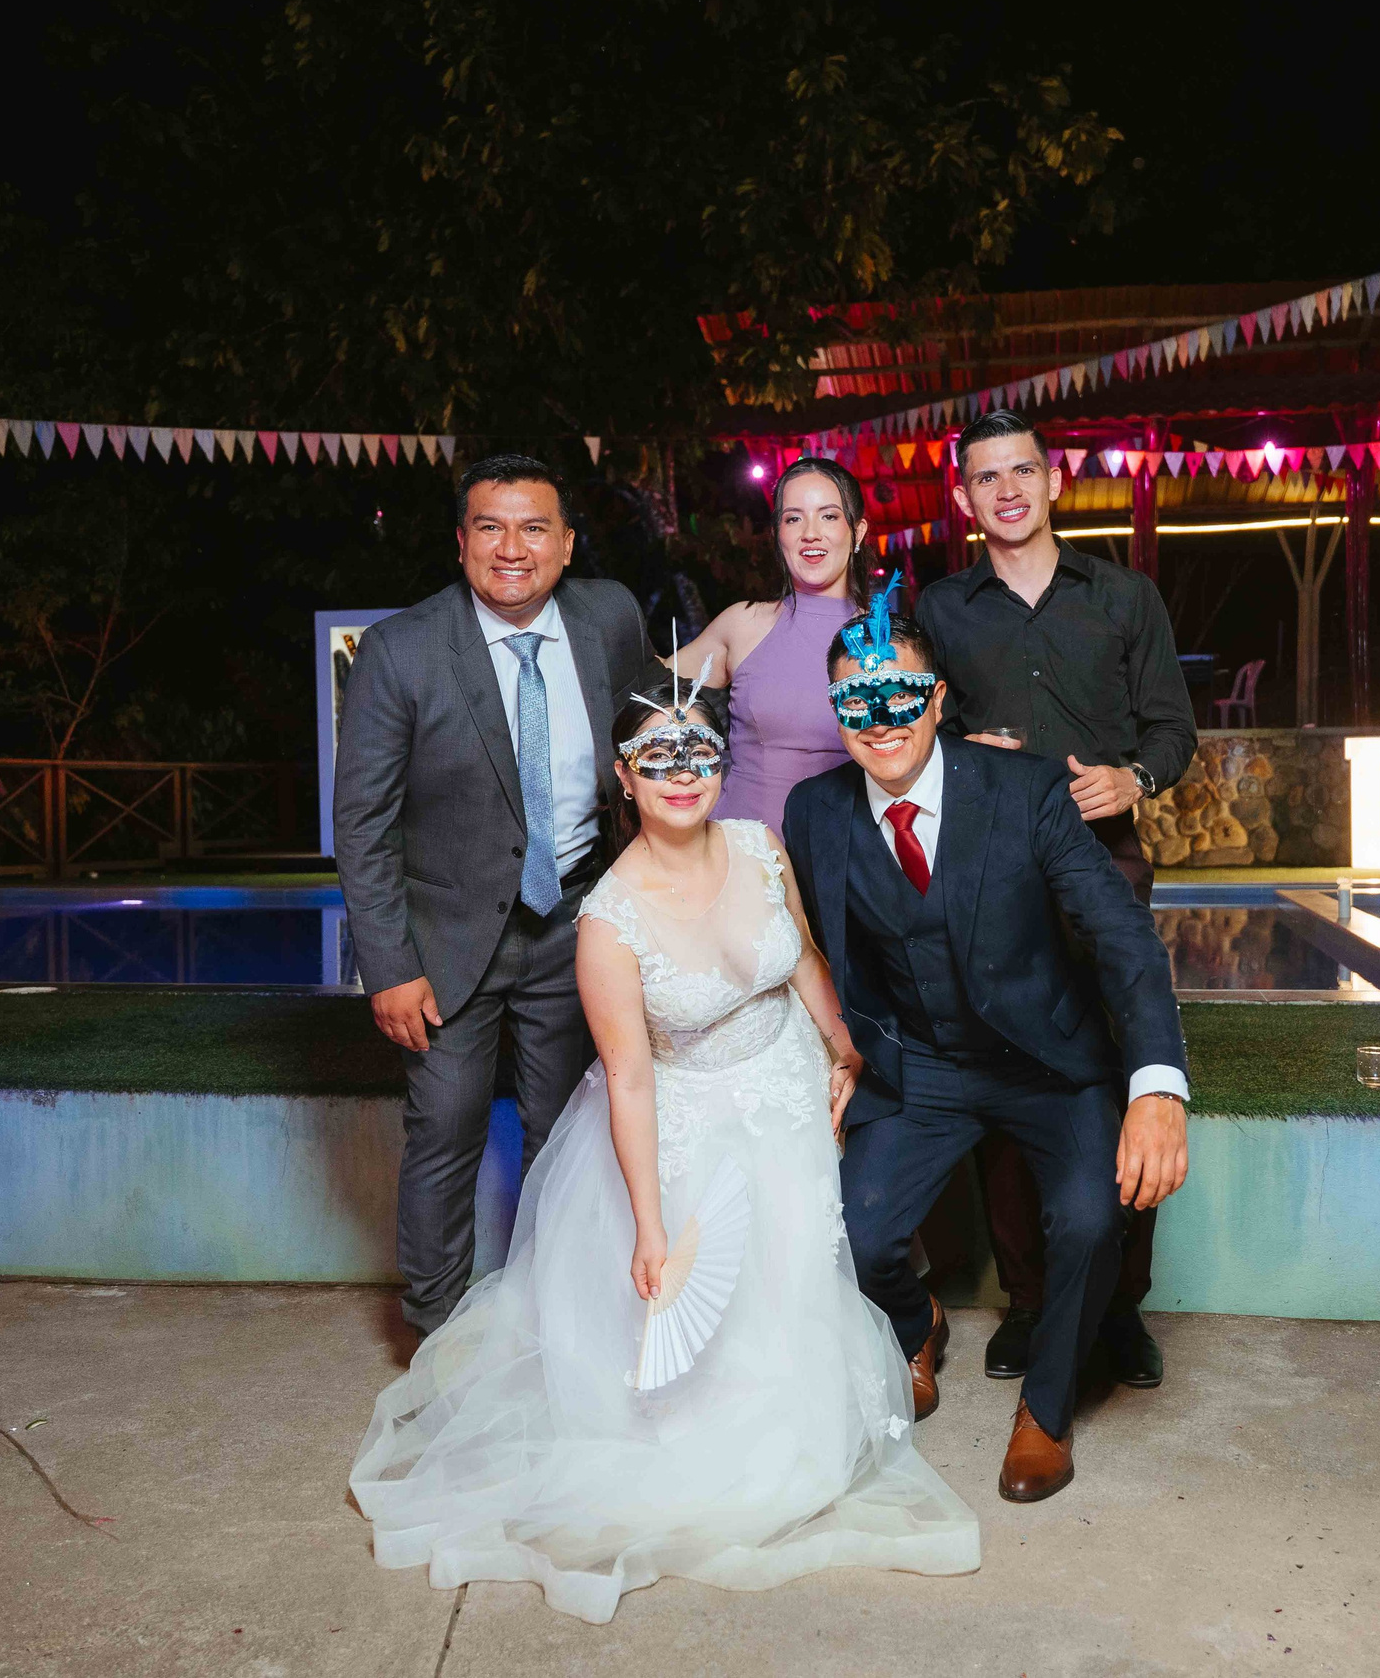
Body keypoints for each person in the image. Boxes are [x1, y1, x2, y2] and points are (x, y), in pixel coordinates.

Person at [350, 678, 980, 1624]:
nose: (683, 774)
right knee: (699, 1342)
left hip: (787, 1094)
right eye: (659, 757)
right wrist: (650, 1223)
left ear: (723, 764)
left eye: (699, 752)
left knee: (799, 1269)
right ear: (624, 777)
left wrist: (842, 1047)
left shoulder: (761, 846)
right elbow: (632, 1080)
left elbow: (805, 958)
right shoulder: (608, 920)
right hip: (688, 1125)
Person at [782, 582, 1190, 1504]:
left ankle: (1047, 1407)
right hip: (922, 1067)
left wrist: (1158, 1083)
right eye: (857, 701)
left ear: (936, 700)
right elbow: (824, 950)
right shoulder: (814, 811)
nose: (881, 720)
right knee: (856, 1230)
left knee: (1088, 1219)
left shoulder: (1027, 789)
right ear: (837, 713)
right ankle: (916, 1323)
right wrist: (844, 1052)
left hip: (1049, 1062)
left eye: (899, 695)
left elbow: (1121, 937)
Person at [332, 453, 651, 1337]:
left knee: (570, 1133)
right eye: (491, 527)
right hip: (444, 938)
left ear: (567, 543)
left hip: (578, 921)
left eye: (534, 527)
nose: (513, 548)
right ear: (461, 541)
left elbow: (654, 728)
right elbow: (361, 821)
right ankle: (436, 1332)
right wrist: (388, 966)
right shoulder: (401, 649)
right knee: (445, 1128)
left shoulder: (610, 617)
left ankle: (559, 1322)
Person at [918, 410, 1200, 1394]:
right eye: (985, 477)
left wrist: (1132, 778)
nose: (1006, 489)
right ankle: (1031, 1300)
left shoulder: (1123, 596)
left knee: (1126, 1071)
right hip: (989, 872)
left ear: (1054, 480)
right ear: (965, 497)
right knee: (1008, 1074)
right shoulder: (940, 609)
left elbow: (1172, 730)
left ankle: (1119, 1307)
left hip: (1103, 863)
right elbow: (908, 730)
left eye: (1021, 471)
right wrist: (956, 753)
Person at [669, 454, 869, 827]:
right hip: (742, 850)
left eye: (829, 516)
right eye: (793, 518)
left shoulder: (885, 641)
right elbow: (648, 692)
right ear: (778, 534)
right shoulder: (744, 623)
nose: (811, 533)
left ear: (857, 532)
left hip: (845, 851)